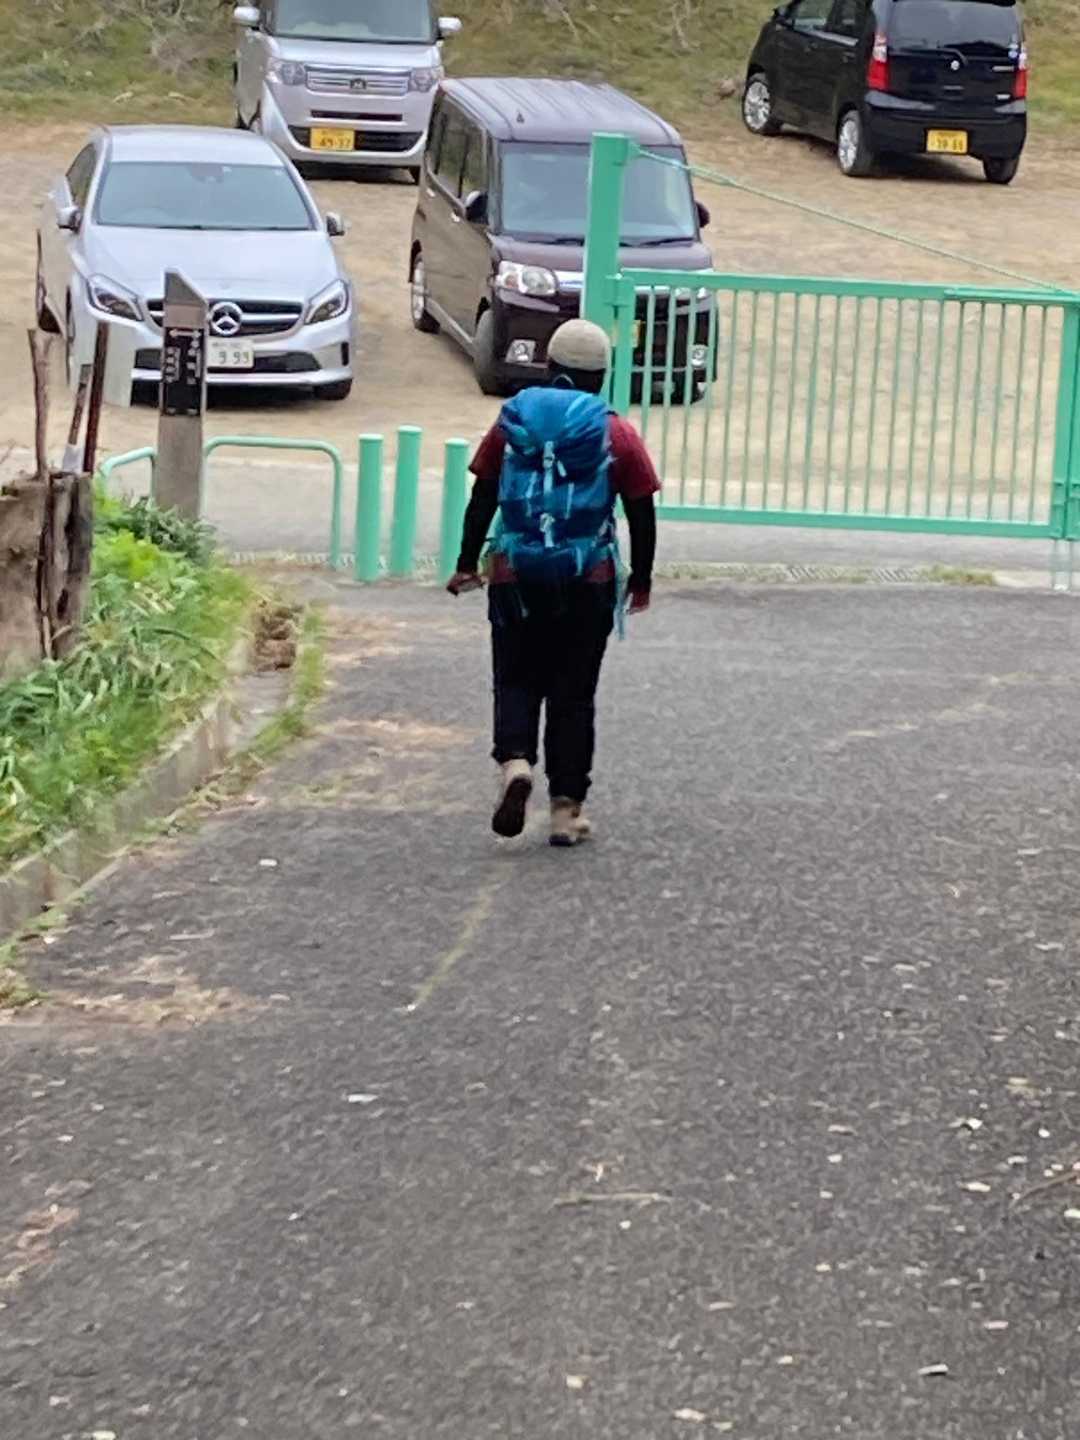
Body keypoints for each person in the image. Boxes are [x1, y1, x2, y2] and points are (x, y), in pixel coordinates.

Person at [446, 318, 660, 846]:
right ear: (601, 377)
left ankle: (516, 763)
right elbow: (641, 509)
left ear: (549, 367)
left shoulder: (512, 422)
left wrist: (467, 562)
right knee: (573, 693)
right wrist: (642, 580)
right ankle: (566, 811)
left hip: (514, 575)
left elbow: (483, 495)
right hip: (588, 578)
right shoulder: (615, 433)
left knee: (515, 677)